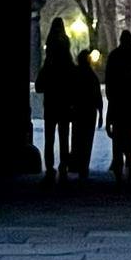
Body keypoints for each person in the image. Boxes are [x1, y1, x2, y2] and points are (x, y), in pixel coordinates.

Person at [34, 18, 76, 183]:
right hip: (65, 103)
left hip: (51, 103)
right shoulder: (67, 63)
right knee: (64, 136)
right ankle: (63, 165)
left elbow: (39, 86)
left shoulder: (49, 62)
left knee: (49, 137)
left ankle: (50, 167)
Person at [104, 30, 131, 182]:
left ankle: (119, 169)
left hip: (118, 103)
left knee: (118, 140)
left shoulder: (114, 56)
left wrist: (111, 100)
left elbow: (109, 81)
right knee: (130, 140)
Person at [70, 46, 103, 180]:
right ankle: (84, 165)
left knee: (77, 138)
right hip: (89, 112)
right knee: (87, 140)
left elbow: (70, 92)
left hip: (78, 110)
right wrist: (100, 113)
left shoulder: (75, 74)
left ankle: (76, 164)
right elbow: (97, 96)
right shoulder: (91, 76)